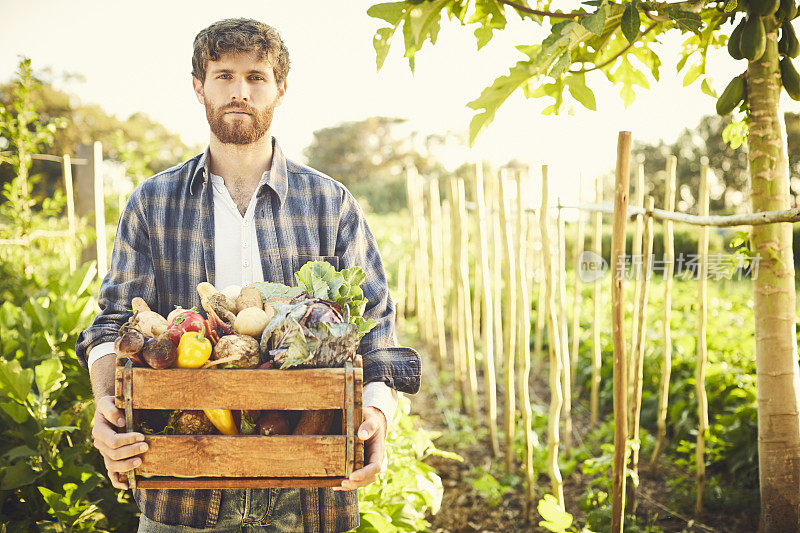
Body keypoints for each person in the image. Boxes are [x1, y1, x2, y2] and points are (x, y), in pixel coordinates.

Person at [76, 18, 421, 532]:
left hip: (310, 489)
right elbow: (111, 326)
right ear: (199, 86)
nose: (240, 92)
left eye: (256, 77)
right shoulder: (152, 203)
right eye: (224, 76)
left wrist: (376, 415)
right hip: (184, 489)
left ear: (280, 89)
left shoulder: (330, 203)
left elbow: (376, 330)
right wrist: (107, 402)